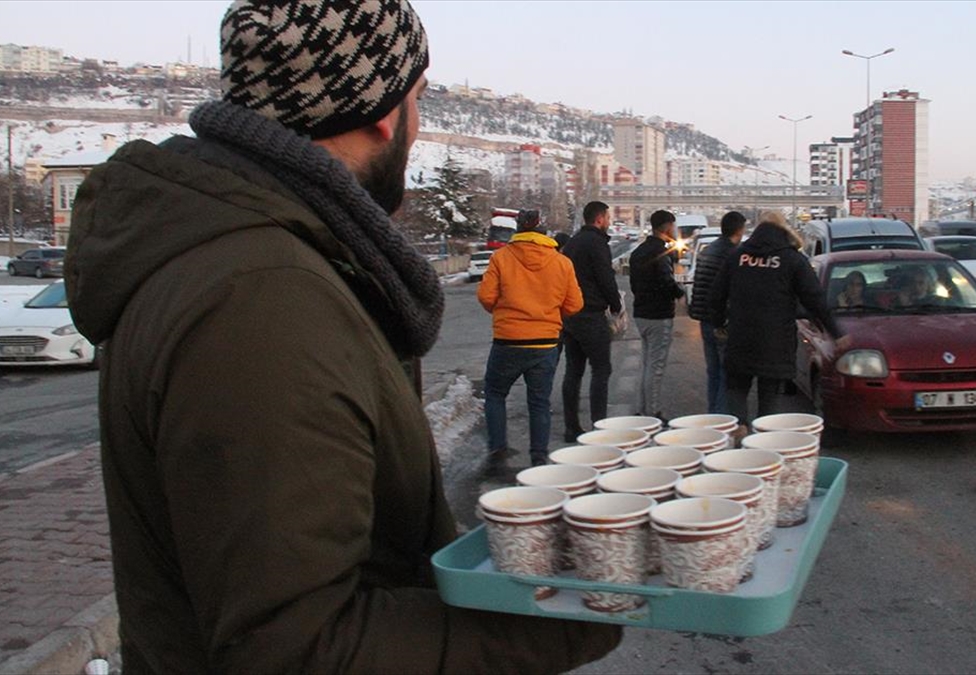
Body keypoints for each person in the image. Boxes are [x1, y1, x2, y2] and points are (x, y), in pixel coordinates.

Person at [63, 1, 620, 671]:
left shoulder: (260, 258)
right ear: (382, 113)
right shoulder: (261, 297)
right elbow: (297, 646)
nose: (418, 121)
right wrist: (575, 612)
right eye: (418, 97)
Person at [709, 211, 849, 432]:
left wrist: (719, 324)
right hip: (775, 343)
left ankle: (740, 426)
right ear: (783, 230)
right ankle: (764, 437)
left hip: (740, 339)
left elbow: (716, 295)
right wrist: (836, 332)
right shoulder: (793, 259)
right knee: (769, 398)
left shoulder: (738, 257)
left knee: (736, 389)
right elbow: (815, 299)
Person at [478, 210, 583, 468]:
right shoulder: (561, 262)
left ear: (518, 230)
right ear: (543, 232)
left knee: (495, 393)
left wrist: (505, 312)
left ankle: (497, 448)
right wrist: (551, 313)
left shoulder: (501, 258)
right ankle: (538, 455)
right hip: (545, 342)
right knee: (539, 402)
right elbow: (574, 304)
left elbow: (486, 297)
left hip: (508, 341)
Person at [561, 201, 623, 442]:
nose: (609, 221)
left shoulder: (572, 243)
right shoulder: (597, 243)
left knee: (573, 371)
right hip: (591, 314)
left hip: (570, 316)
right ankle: (600, 427)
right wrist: (616, 305)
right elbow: (605, 278)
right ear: (599, 219)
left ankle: (571, 427)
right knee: (601, 369)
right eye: (607, 217)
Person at [628, 209, 686, 421]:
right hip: (659, 315)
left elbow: (634, 284)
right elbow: (665, 281)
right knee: (656, 366)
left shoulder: (638, 252)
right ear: (667, 226)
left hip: (641, 313)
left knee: (646, 363)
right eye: (673, 225)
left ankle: (641, 408)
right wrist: (679, 293)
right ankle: (653, 413)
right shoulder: (661, 252)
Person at [688, 210, 745, 413]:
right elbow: (734, 291)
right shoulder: (733, 255)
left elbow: (699, 287)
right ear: (739, 230)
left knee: (713, 372)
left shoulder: (707, 251)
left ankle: (713, 413)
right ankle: (721, 418)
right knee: (726, 373)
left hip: (705, 319)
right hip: (723, 321)